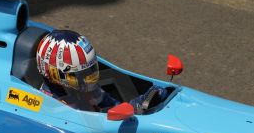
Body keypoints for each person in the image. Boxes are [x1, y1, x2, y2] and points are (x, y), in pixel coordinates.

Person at [36, 29, 167, 113]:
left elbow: (115, 108)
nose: (87, 78)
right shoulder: (49, 107)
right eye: (79, 74)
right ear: (55, 74)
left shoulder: (88, 90)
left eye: (89, 70)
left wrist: (140, 103)